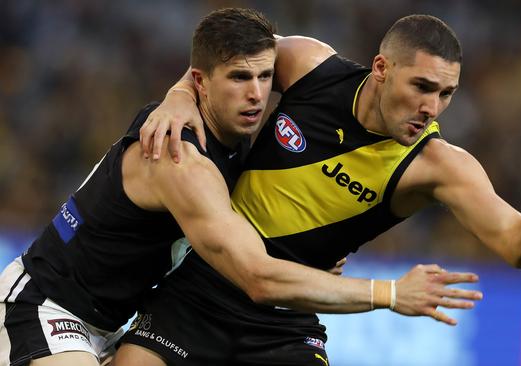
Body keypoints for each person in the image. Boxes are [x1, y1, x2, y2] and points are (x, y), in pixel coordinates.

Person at [118, 11, 521, 366]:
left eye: (447, 94)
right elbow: (224, 60)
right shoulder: (310, 65)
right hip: (196, 292)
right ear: (381, 69)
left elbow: (519, 248)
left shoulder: (438, 165)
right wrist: (179, 96)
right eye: (422, 87)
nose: (433, 108)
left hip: (285, 321)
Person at [0, 9, 482, 366]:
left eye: (264, 77)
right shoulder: (181, 154)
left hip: (110, 323)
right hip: (47, 303)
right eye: (238, 78)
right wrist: (390, 293)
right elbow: (258, 275)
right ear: (201, 82)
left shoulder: (234, 143)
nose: (255, 93)